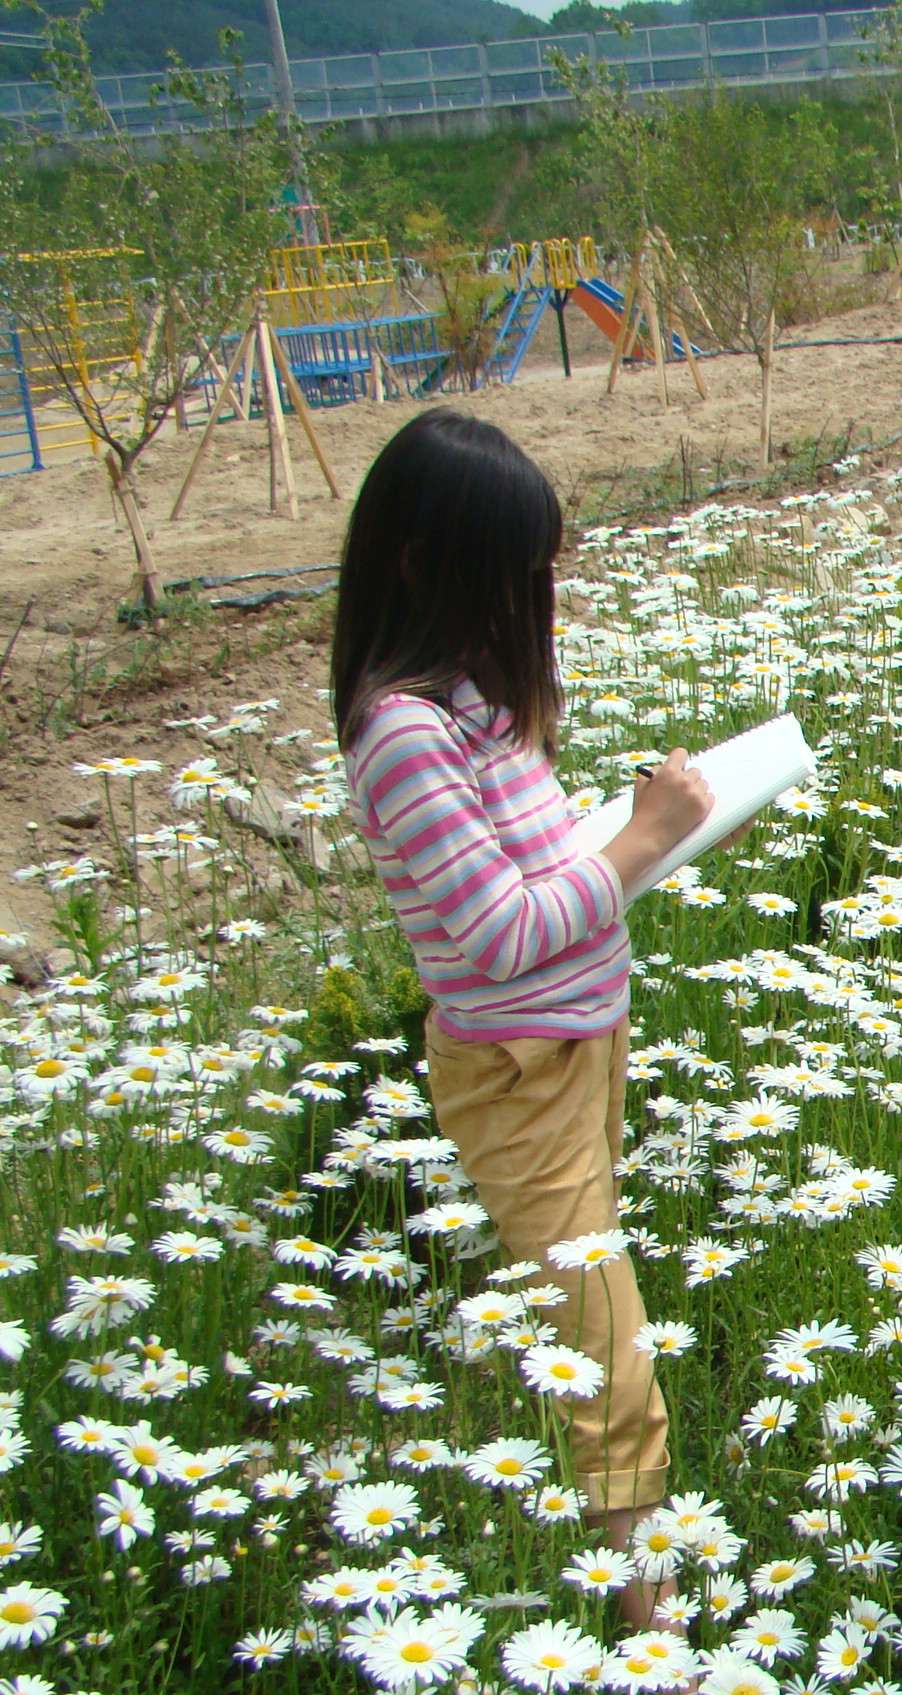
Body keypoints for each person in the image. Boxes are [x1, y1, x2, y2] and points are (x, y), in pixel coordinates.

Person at [335, 410, 711, 1630]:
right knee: (608, 1352)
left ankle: (648, 1604)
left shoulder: (472, 709)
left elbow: (536, 883)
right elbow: (498, 933)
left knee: (603, 1317)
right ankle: (653, 1645)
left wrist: (636, 831)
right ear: (421, 567)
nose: (531, 601)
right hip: (517, 1071)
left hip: (577, 1048)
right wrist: (643, 840)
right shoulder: (403, 734)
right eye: (513, 576)